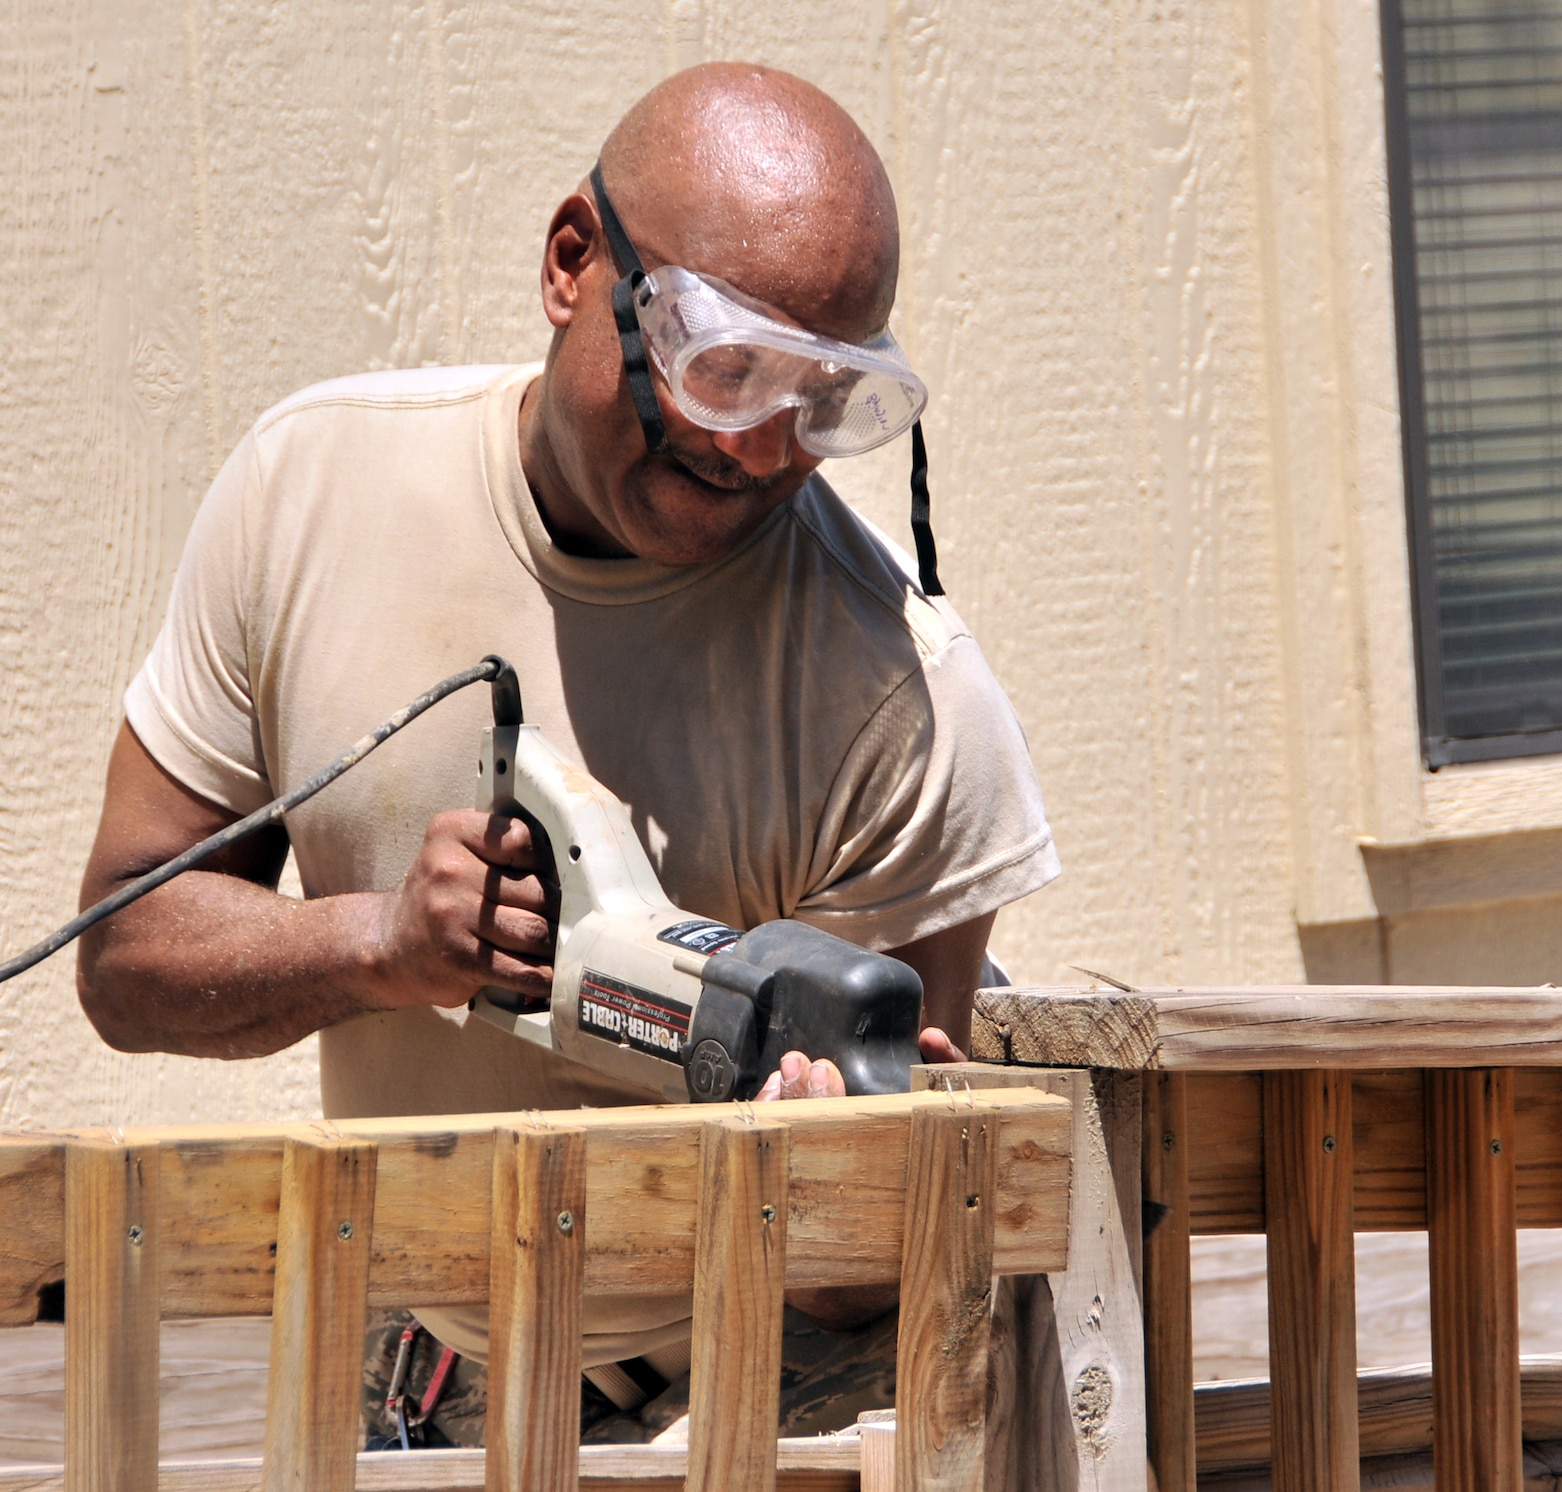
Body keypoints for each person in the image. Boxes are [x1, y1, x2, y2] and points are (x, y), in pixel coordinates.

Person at [72, 63, 1059, 1433]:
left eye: (823, 398)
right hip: (412, 1378)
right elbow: (126, 961)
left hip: (753, 1402)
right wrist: (374, 946)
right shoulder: (310, 493)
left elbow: (870, 1277)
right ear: (572, 264)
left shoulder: (907, 698)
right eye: (724, 366)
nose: (763, 448)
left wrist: (845, 1180)